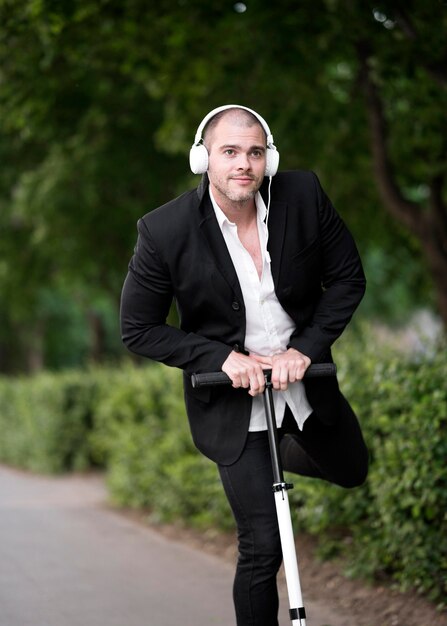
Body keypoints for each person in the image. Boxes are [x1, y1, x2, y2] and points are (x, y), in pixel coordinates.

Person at [120, 104, 369, 626]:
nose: (244, 164)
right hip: (233, 402)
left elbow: (347, 278)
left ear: (269, 159)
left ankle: (286, 444)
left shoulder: (303, 196)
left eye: (255, 152)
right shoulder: (163, 231)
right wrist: (220, 357)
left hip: (304, 380)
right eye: (230, 152)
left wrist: (306, 348)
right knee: (262, 547)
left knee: (351, 470)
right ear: (202, 159)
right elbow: (138, 328)